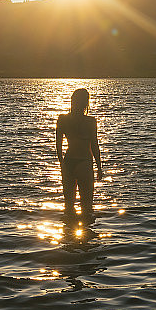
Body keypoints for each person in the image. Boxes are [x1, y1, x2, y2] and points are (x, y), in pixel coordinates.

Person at [56, 88, 103, 224]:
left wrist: (62, 163)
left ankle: (68, 234)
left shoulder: (63, 119)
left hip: (68, 161)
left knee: (68, 206)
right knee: (86, 207)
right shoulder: (90, 121)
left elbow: (58, 145)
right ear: (85, 103)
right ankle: (86, 233)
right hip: (84, 162)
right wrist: (99, 167)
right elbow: (94, 145)